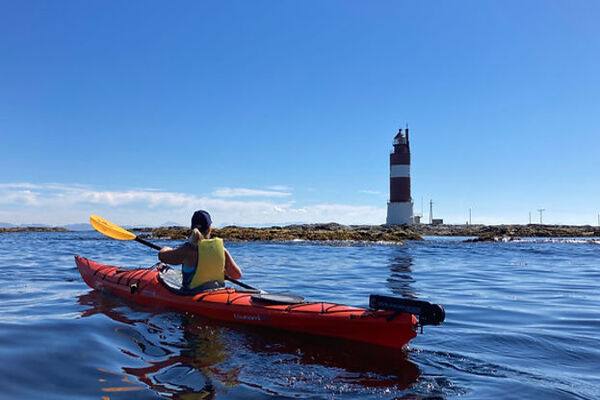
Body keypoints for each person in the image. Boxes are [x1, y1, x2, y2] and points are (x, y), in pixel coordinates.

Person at [158, 210, 242, 292]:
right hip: (218, 292)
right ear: (209, 228)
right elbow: (237, 275)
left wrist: (166, 249)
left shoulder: (188, 249)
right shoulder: (222, 250)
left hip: (193, 295)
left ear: (192, 229)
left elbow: (162, 256)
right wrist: (224, 272)